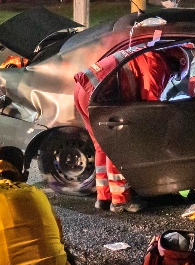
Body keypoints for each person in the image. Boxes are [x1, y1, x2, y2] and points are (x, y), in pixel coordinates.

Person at [73, 48, 172, 213]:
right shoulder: (157, 63)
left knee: (101, 145)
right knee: (117, 145)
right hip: (101, 92)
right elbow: (150, 103)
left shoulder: (145, 52)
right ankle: (120, 201)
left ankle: (104, 198)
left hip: (83, 88)